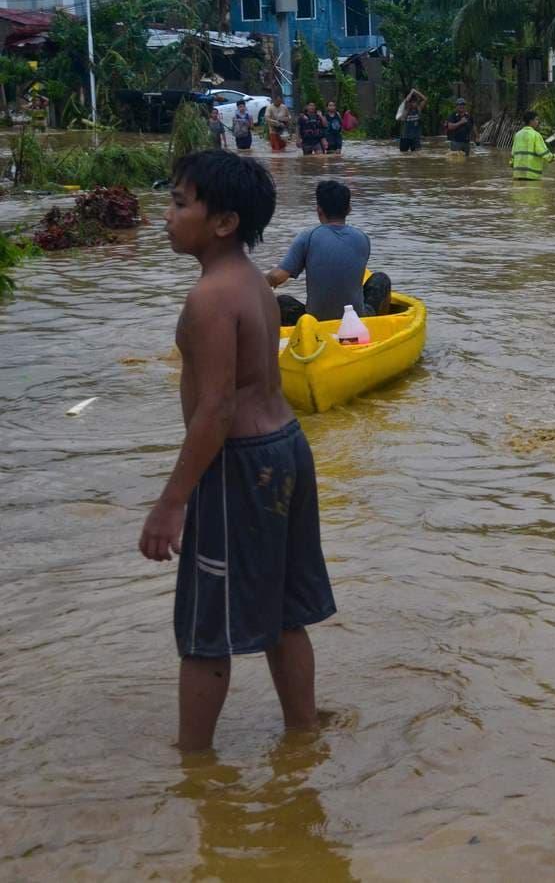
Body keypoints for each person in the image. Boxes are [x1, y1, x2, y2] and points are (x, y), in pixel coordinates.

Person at [139, 149, 335, 751]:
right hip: (286, 449)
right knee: (283, 612)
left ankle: (194, 767)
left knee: (206, 627)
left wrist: (172, 501)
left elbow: (216, 408)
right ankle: (302, 736)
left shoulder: (209, 299)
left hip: (240, 466)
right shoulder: (252, 281)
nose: (166, 216)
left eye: (178, 204)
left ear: (223, 222)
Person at [267, 179, 391, 326]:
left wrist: (254, 282)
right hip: (355, 320)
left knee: (282, 301)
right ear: (349, 209)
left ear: (319, 210)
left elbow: (277, 277)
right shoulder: (363, 238)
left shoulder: (307, 237)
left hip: (314, 322)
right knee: (381, 279)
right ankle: (377, 327)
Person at [511, 110, 555, 181]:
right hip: (532, 175)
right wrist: (553, 157)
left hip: (518, 173)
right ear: (531, 121)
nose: (538, 122)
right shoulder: (536, 135)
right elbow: (542, 152)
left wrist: (511, 163)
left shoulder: (517, 135)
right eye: (536, 119)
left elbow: (513, 153)